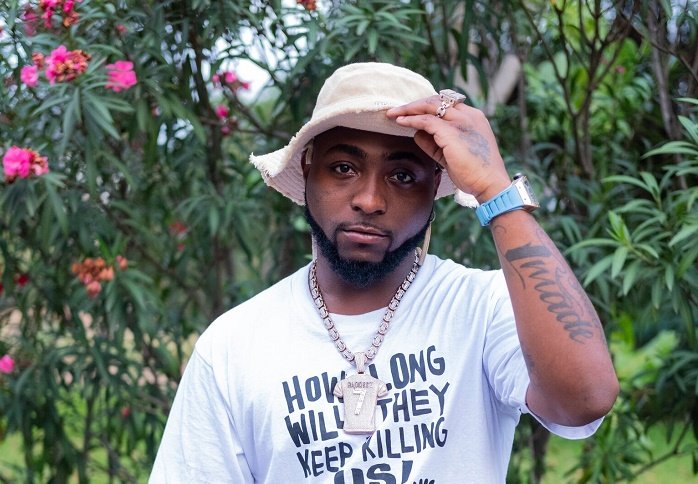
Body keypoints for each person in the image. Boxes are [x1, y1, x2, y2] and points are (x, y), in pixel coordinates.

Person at [150, 62, 618, 483]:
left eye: (402, 176)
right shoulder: (233, 346)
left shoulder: (484, 307)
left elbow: (584, 399)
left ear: (435, 185)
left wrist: (495, 191)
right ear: (308, 170)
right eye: (343, 167)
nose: (370, 200)